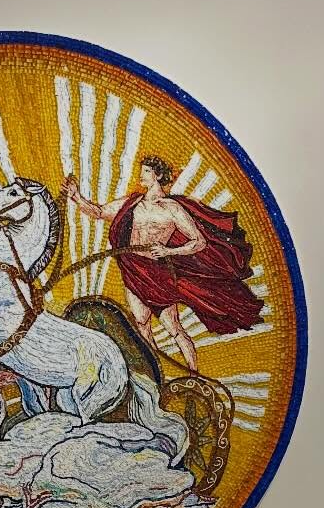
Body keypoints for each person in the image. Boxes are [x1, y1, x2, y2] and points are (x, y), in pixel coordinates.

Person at [63, 155, 262, 370]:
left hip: (157, 273)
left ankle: (194, 376)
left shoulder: (171, 208)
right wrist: (77, 197)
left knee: (173, 328)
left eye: (147, 171)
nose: (142, 175)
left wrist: (170, 250)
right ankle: (156, 376)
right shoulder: (132, 203)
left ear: (158, 175)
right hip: (133, 269)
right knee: (141, 325)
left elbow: (199, 241)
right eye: (142, 170)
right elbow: (99, 212)